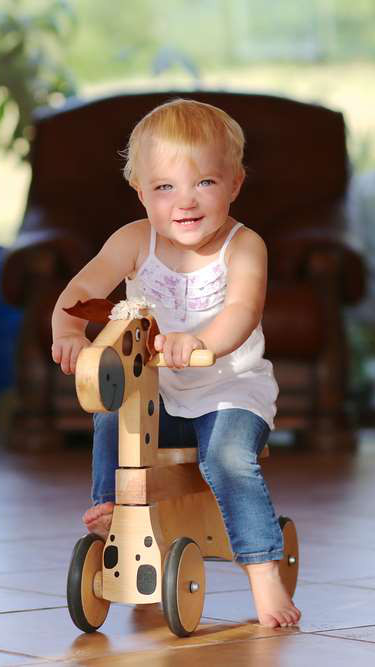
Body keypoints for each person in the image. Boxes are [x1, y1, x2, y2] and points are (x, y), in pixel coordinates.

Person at [51, 98, 301, 628]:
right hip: (160, 392)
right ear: (140, 191)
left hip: (231, 389)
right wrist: (71, 330)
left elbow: (241, 312)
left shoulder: (244, 246)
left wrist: (198, 339)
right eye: (164, 187)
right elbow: (81, 289)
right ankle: (112, 513)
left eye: (205, 183)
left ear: (235, 183)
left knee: (229, 459)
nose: (184, 202)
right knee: (111, 415)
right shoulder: (133, 241)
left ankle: (263, 571)